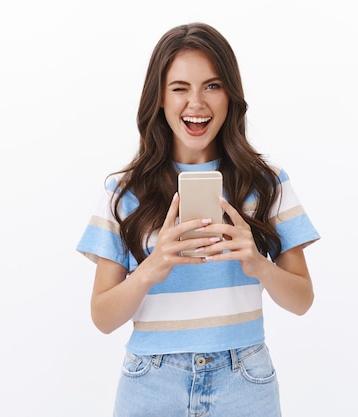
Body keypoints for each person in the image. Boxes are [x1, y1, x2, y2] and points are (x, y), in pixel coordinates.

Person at [76, 22, 319, 417]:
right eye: (179, 88)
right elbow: (102, 317)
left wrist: (257, 263)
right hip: (151, 382)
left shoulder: (267, 184)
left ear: (230, 95)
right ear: (158, 98)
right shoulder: (123, 191)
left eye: (212, 85)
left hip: (244, 379)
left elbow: (302, 300)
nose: (196, 103)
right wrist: (152, 268)